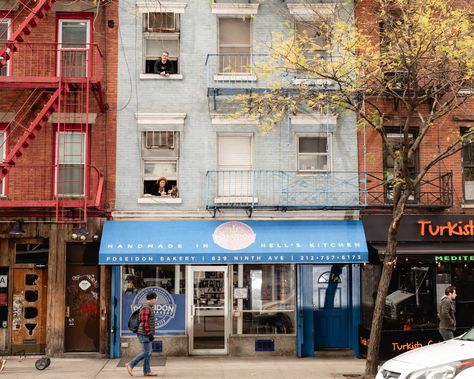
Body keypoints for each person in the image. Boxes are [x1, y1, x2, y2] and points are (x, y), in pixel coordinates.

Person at [126, 292, 158, 377]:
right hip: (144, 333)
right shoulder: (146, 308)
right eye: (155, 298)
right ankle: (130, 364)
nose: (156, 300)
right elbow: (145, 323)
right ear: (151, 299)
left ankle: (147, 371)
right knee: (146, 352)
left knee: (149, 352)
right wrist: (149, 334)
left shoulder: (149, 307)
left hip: (146, 333)